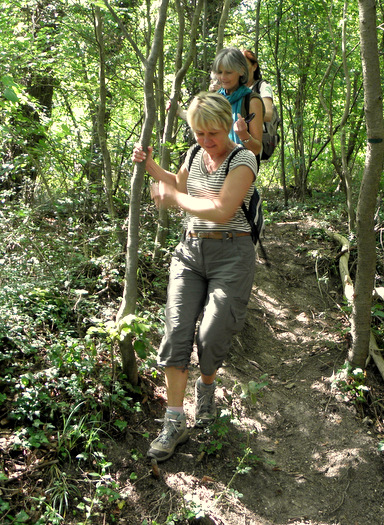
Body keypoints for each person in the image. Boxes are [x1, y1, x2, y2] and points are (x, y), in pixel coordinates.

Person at [132, 92, 258, 461]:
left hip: (232, 253)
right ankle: (174, 421)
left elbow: (221, 209)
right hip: (190, 251)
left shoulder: (243, 159)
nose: (206, 142)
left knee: (213, 332)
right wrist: (153, 166)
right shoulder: (194, 154)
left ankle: (206, 386)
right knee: (176, 332)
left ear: (225, 125)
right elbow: (182, 185)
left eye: (213, 134)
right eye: (199, 134)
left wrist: (173, 198)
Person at [212, 48, 264, 159]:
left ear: (241, 71)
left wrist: (243, 134)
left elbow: (256, 149)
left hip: (242, 165)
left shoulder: (252, 101)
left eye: (228, 72)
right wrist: (178, 110)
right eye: (220, 72)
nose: (223, 77)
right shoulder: (216, 99)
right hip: (216, 163)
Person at [242, 49, 274, 124]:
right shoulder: (233, 88)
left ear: (254, 66)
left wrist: (244, 114)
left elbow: (268, 114)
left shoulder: (262, 86)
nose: (242, 69)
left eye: (245, 65)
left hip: (259, 134)